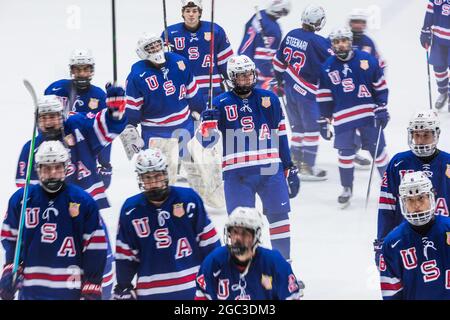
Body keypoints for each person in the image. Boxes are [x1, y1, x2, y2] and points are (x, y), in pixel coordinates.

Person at [200, 55, 299, 262]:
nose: (245, 80)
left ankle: (284, 265)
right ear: (231, 78)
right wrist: (206, 124)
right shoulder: (219, 103)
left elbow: (280, 133)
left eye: (247, 75)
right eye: (240, 77)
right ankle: (247, 269)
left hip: (270, 169)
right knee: (241, 224)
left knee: (279, 218)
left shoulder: (269, 98)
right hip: (237, 174)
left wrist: (289, 164)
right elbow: (206, 143)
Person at [0, 141, 107, 300]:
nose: (52, 173)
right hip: (32, 291)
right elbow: (11, 239)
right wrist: (11, 269)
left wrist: (92, 283)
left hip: (70, 291)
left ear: (66, 168)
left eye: (58, 167)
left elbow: (95, 247)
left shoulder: (83, 201)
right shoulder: (21, 200)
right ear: (38, 169)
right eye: (47, 168)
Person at [112, 148, 220, 300]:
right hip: (151, 293)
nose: (153, 182)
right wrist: (123, 286)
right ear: (140, 179)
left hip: (194, 290)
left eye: (157, 176)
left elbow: (210, 244)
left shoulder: (189, 200)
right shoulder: (131, 210)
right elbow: (126, 256)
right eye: (147, 178)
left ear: (165, 174)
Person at [317, 27, 390, 208]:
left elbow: (379, 86)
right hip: (343, 118)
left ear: (350, 41)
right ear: (332, 45)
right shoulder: (326, 67)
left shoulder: (367, 60)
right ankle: (346, 188)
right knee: (345, 154)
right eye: (336, 42)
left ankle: (391, 186)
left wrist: (381, 107)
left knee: (378, 151)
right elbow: (325, 96)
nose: (340, 45)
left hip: (368, 114)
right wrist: (324, 119)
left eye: (343, 41)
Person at [125, 33, 206, 185]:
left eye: (157, 45)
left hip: (184, 128)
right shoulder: (136, 76)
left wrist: (200, 111)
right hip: (155, 133)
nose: (155, 49)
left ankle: (199, 203)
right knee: (160, 178)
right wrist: (131, 130)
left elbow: (193, 92)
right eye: (150, 47)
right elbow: (132, 109)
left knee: (196, 174)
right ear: (142, 52)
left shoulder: (180, 63)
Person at [374, 110, 450, 261]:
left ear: (436, 134)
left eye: (426, 135)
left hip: (442, 237)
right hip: (406, 239)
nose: (420, 140)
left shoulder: (448, 164)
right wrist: (382, 241)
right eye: (417, 135)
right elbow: (386, 206)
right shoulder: (398, 163)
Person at [273, 4, 330, 181]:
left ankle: (293, 162)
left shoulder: (291, 34)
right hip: (307, 93)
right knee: (312, 129)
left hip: (289, 89)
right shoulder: (319, 42)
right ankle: (307, 166)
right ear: (319, 22)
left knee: (297, 129)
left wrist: (280, 82)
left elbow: (278, 63)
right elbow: (334, 63)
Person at [195, 207, 302, 300]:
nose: (237, 238)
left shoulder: (275, 263)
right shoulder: (214, 262)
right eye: (234, 232)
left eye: (244, 234)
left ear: (256, 236)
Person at [45, 49, 113, 189]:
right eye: (78, 69)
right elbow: (44, 122)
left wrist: (105, 164)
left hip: (84, 155)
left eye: (86, 69)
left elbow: (104, 132)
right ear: (72, 70)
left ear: (91, 70)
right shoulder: (56, 89)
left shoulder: (99, 96)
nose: (82, 73)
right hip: (56, 154)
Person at [379, 171, 450, 300]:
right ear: (402, 203)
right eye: (410, 200)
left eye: (421, 198)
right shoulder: (393, 243)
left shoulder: (448, 229)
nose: (416, 205)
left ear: (431, 197)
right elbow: (391, 291)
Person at [163, 0, 234, 101]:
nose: (191, 14)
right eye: (187, 11)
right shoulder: (169, 34)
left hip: (213, 88)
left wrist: (232, 81)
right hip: (184, 89)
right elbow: (163, 66)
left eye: (194, 11)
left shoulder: (215, 30)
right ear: (182, 13)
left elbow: (226, 61)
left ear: (200, 13)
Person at [238, 0, 291, 91]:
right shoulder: (274, 29)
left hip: (242, 61)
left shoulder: (259, 15)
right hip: (258, 75)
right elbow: (262, 57)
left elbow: (247, 29)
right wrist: (271, 77)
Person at [420, 0, 450, 111]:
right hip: (438, 40)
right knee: (438, 69)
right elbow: (429, 15)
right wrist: (425, 32)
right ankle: (443, 92)